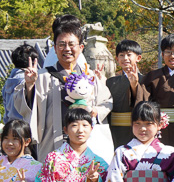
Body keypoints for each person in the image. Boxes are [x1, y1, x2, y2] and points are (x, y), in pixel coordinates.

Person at [15, 19, 113, 161]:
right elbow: (22, 106)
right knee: (54, 177)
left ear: (81, 47)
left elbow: (107, 101)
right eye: (62, 44)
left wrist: (95, 111)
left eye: (72, 44)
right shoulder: (42, 76)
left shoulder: (89, 76)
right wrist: (29, 85)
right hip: (53, 141)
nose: (67, 49)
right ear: (55, 48)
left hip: (85, 142)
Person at [138, 34, 174, 159]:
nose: (172, 56)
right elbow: (143, 102)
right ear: (162, 54)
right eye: (168, 52)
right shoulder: (152, 76)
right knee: (158, 160)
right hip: (158, 128)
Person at [106, 39, 145, 148]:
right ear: (117, 59)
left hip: (138, 130)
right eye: (121, 55)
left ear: (138, 58)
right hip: (115, 130)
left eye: (129, 55)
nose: (125, 58)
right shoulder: (110, 82)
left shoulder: (146, 80)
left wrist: (134, 86)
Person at [2, 43, 39, 122]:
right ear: (32, 62)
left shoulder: (8, 82)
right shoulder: (29, 81)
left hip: (11, 126)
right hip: (25, 127)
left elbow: (6, 111)